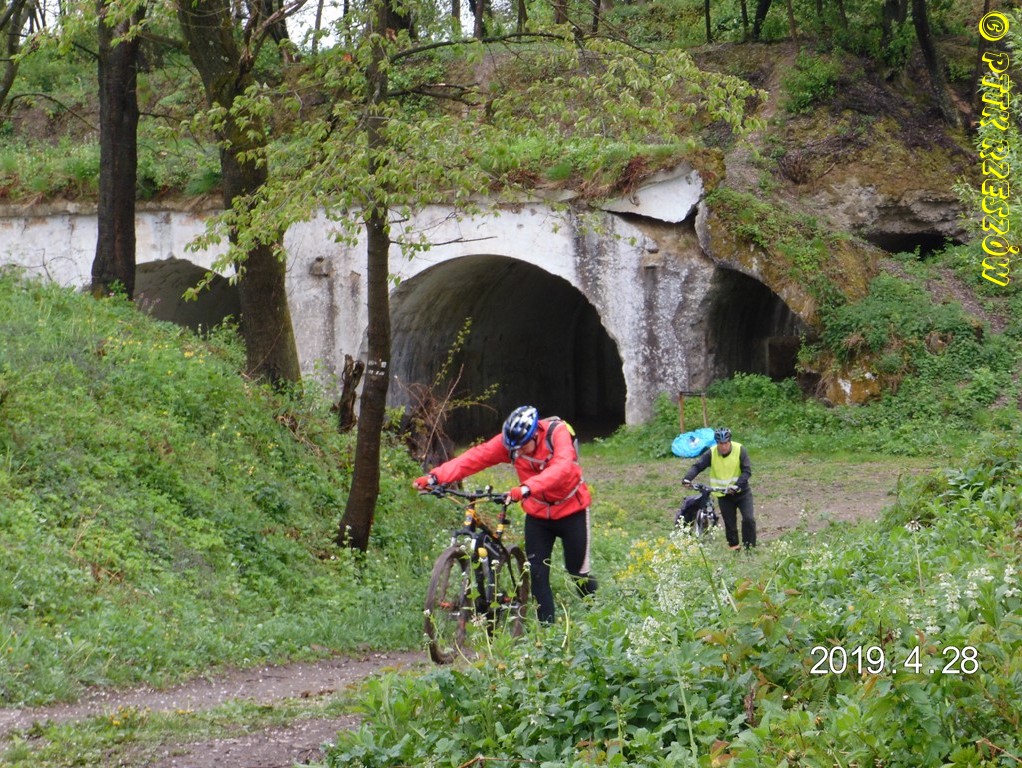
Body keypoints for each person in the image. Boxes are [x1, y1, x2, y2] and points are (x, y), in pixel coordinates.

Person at [414, 405, 597, 624]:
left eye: (523, 447)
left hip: (572, 511)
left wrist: (527, 488)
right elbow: (475, 457)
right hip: (538, 515)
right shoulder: (513, 444)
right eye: (514, 449)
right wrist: (435, 477)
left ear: (535, 435)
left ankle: (597, 617)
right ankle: (548, 633)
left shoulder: (556, 434)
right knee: (537, 574)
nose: (518, 453)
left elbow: (563, 467)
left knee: (578, 572)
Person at [682, 427, 756, 549]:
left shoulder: (740, 450)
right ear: (717, 443)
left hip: (742, 493)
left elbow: (747, 471)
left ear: (730, 441)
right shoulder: (711, 453)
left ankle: (749, 548)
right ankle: (734, 548)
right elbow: (698, 466)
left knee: (748, 519)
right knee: (730, 524)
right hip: (724, 495)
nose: (723, 446)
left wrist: (737, 485)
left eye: (726, 443)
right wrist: (687, 478)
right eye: (720, 444)